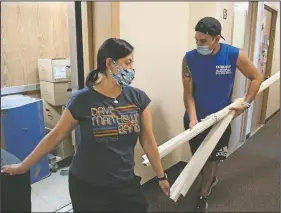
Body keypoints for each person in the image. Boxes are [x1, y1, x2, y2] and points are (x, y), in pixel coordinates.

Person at [1, 38, 170, 212]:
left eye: (132, 63)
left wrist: (161, 176)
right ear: (110, 64)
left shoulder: (138, 98)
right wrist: (23, 166)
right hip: (88, 188)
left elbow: (148, 141)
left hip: (125, 184)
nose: (132, 69)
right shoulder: (82, 100)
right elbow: (55, 136)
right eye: (127, 63)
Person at [182, 17, 262, 212]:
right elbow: (188, 94)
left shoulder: (233, 55)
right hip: (195, 121)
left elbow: (256, 77)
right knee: (199, 159)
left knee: (212, 160)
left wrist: (246, 103)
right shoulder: (189, 58)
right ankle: (208, 181)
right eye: (196, 40)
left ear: (216, 39)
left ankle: (203, 194)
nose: (198, 44)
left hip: (221, 120)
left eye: (203, 41)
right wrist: (192, 118)